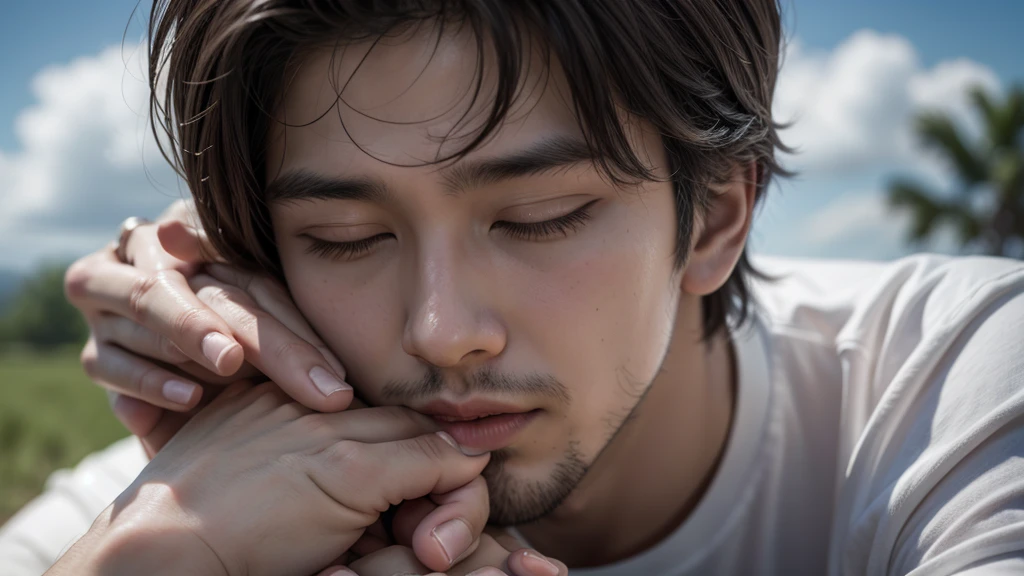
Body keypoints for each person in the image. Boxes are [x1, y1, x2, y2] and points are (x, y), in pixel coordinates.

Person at [2, 0, 1024, 574]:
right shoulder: (194, 496)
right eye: (345, 237)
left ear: (713, 215)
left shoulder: (951, 381)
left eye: (539, 219)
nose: (442, 331)